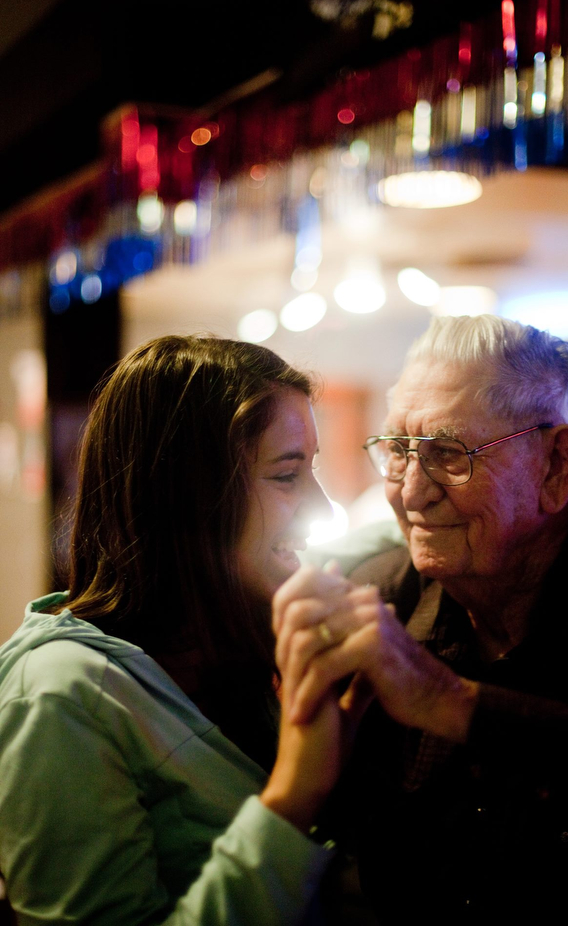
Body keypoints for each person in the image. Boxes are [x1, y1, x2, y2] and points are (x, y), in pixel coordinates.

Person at [273, 314, 568, 922]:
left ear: (557, 466)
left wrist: (448, 701)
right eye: (399, 451)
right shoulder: (377, 604)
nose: (410, 492)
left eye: (449, 454)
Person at [0, 334, 372, 926]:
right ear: (189, 496)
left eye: (313, 471)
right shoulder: (59, 694)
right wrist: (293, 797)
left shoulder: (233, 645)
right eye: (286, 475)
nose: (323, 509)